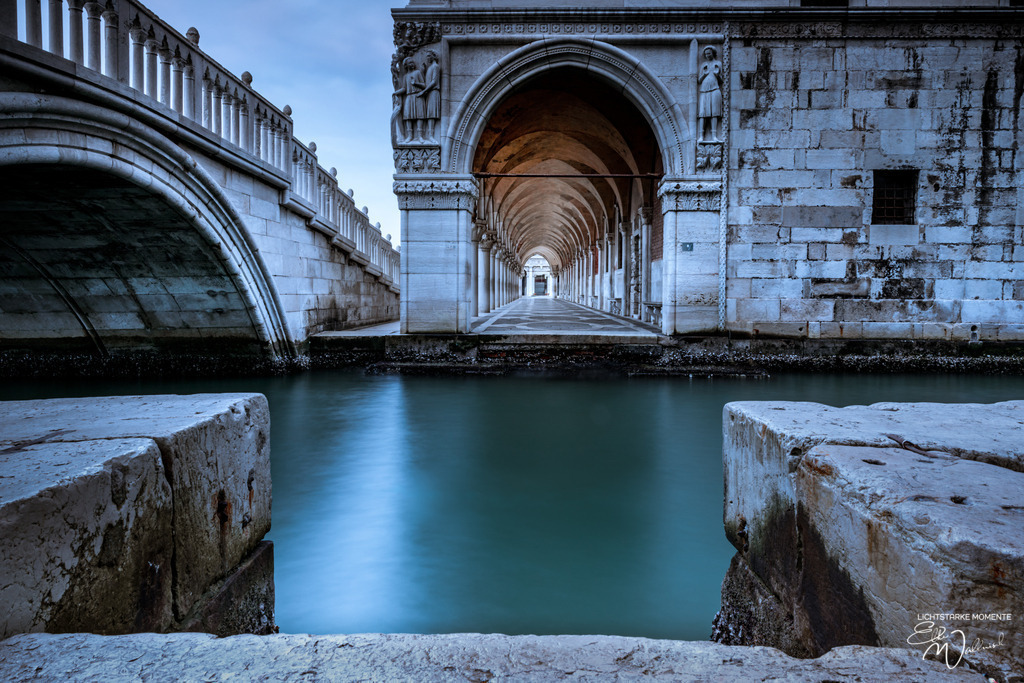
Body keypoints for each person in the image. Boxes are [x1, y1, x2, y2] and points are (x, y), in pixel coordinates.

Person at [395, 57, 425, 141]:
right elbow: (404, 88)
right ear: (406, 66)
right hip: (409, 96)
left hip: (417, 96)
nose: (412, 64)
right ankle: (410, 136)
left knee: (420, 115)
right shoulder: (405, 76)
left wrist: (416, 83)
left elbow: (423, 85)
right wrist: (396, 92)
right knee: (408, 116)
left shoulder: (417, 73)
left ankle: (420, 136)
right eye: (410, 63)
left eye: (412, 62)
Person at [698, 46, 723, 142]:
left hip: (715, 89)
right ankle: (701, 136)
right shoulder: (704, 65)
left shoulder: (718, 64)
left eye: (709, 53)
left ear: (713, 53)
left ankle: (714, 136)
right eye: (706, 54)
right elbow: (699, 80)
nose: (707, 55)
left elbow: (722, 80)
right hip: (704, 90)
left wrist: (717, 74)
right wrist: (704, 74)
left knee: (714, 113)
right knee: (702, 113)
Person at [422, 51, 441, 141]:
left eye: (429, 56)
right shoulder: (430, 68)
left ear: (433, 56)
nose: (427, 58)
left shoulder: (435, 67)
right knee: (428, 113)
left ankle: (431, 135)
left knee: (432, 113)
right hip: (429, 93)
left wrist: (424, 91)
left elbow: (434, 82)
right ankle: (428, 134)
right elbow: (426, 83)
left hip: (433, 92)